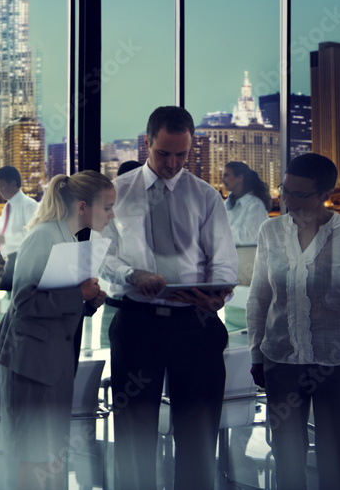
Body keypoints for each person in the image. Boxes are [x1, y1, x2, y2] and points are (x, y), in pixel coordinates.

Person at [100, 106, 238, 490]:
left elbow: (224, 262)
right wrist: (132, 275)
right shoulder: (116, 193)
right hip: (137, 325)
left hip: (195, 324)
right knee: (134, 431)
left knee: (197, 434)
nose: (173, 163)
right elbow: (100, 257)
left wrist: (218, 295)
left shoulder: (207, 196)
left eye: (182, 154)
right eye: (164, 153)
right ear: (148, 143)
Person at [0, 171, 113, 490]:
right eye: (107, 208)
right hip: (32, 366)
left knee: (49, 457)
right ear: (83, 206)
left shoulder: (67, 238)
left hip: (50, 365)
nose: (112, 215)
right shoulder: (43, 236)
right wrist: (78, 295)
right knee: (35, 457)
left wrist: (88, 301)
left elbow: (55, 299)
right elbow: (24, 303)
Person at [247, 153, 340, 490]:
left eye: (299, 195)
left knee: (335, 458)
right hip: (281, 360)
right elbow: (259, 297)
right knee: (287, 457)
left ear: (324, 194)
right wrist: (256, 355)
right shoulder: (271, 230)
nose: (288, 200)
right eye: (285, 190)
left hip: (334, 363)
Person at [0, 165, 39, 261]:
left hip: (21, 258)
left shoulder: (29, 205)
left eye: (1, 185)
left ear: (13, 184)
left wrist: (4, 239)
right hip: (8, 259)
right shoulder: (7, 206)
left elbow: (32, 236)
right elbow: (3, 230)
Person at [222, 160, 272, 246]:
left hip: (246, 258)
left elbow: (250, 237)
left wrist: (220, 230)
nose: (222, 180)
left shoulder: (256, 205)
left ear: (240, 178)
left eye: (226, 175)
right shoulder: (227, 203)